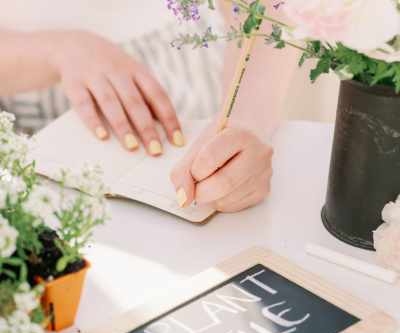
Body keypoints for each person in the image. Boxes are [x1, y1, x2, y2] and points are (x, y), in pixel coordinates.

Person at [0, 1, 298, 213]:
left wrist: (246, 121)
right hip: (27, 98)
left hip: (187, 71)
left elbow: (270, 7)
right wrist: (59, 50)